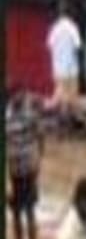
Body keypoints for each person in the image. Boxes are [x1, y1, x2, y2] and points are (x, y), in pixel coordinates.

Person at [6, 92, 43, 239]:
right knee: (16, 212)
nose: (17, 97)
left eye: (19, 94)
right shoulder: (6, 118)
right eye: (14, 95)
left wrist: (39, 156)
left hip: (28, 170)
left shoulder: (30, 116)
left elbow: (40, 134)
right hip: (14, 172)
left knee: (29, 210)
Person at [47, 2, 82, 117]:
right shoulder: (72, 28)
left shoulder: (55, 28)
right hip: (71, 67)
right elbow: (78, 46)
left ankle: (62, 113)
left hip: (58, 67)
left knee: (61, 92)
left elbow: (49, 45)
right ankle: (71, 114)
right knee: (71, 94)